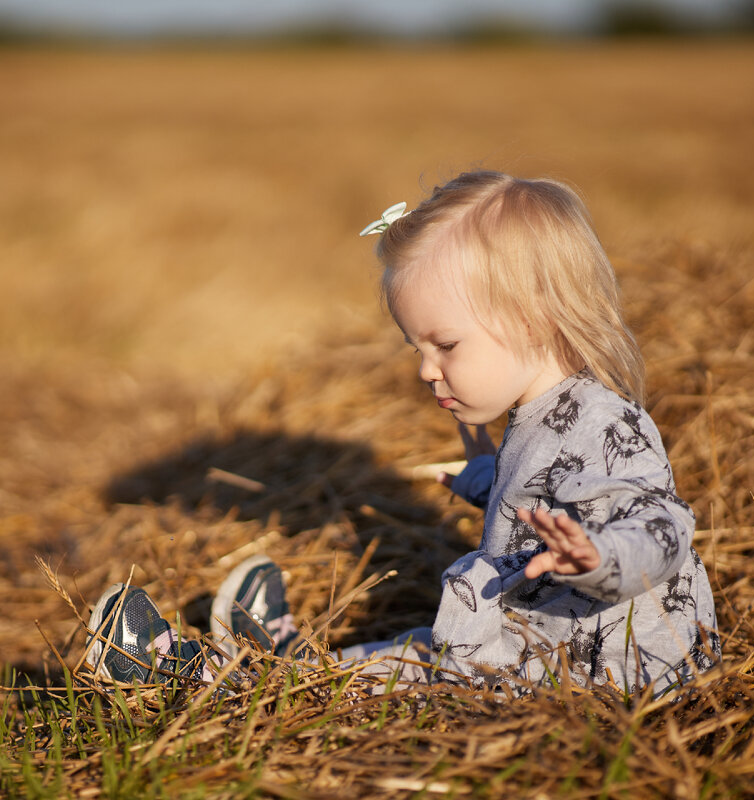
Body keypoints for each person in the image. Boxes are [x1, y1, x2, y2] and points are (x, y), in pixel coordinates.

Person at [84, 171, 721, 697]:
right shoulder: (550, 410)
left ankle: (189, 678)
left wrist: (602, 560)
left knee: (417, 666)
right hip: (547, 648)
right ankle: (285, 664)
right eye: (416, 347)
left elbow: (661, 526)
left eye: (446, 345)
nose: (425, 369)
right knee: (414, 651)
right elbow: (550, 498)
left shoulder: (608, 423)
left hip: (595, 675)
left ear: (534, 320)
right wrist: (488, 480)